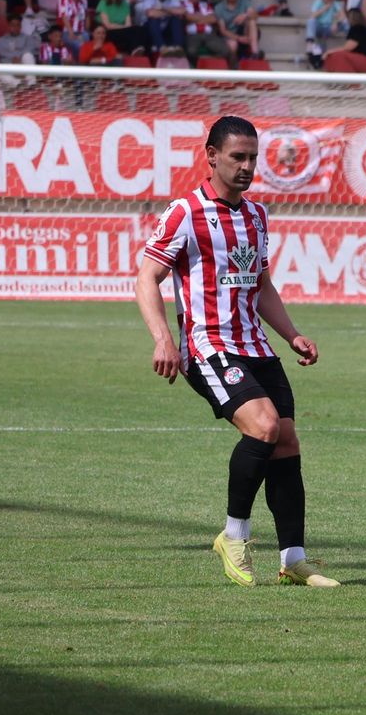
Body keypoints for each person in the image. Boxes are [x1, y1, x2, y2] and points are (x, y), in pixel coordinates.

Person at [135, 116, 337, 589]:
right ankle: (234, 535)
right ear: (211, 156)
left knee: (286, 441)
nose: (247, 167)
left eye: (252, 158)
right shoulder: (185, 213)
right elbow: (147, 277)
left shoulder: (257, 216)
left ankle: (293, 559)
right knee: (264, 426)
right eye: (237, 157)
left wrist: (291, 335)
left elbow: (261, 285)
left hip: (256, 346)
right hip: (208, 345)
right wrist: (164, 338)